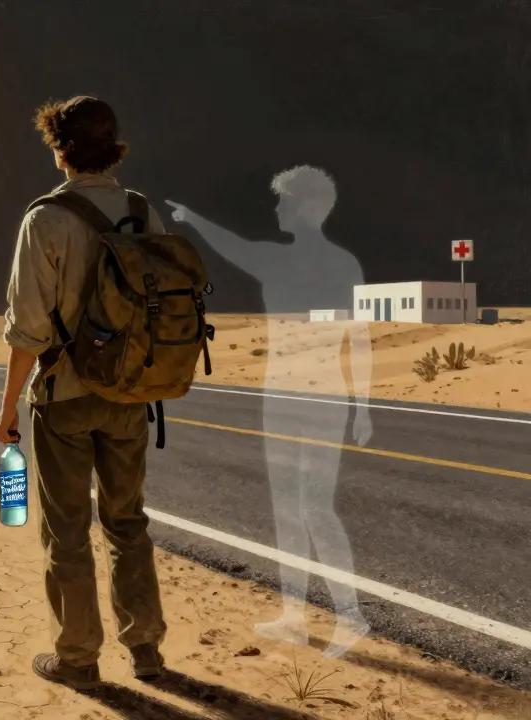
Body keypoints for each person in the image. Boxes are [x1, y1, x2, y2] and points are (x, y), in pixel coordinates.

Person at [0, 95, 169, 688]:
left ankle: (78, 658)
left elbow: (27, 328)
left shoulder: (45, 219)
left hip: (64, 396)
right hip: (130, 394)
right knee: (128, 522)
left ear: (59, 149)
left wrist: (8, 406)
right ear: (113, 147)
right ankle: (145, 649)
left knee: (66, 530)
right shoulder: (144, 213)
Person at [166, 166, 373, 658]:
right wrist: (193, 218)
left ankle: (351, 615)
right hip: (281, 396)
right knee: (286, 508)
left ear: (305, 207)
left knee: (315, 507)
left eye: (283, 202)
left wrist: (362, 407)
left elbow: (359, 336)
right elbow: (233, 245)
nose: (276, 209)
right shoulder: (290, 259)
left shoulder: (337, 264)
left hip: (319, 396)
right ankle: (294, 616)